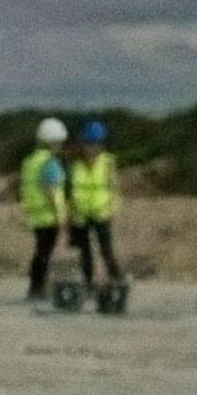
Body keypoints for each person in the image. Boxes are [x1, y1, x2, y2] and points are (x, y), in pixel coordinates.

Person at [64, 119, 122, 299]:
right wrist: (69, 214)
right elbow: (69, 191)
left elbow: (114, 188)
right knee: (85, 253)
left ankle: (117, 280)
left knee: (106, 250)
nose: (92, 148)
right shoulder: (75, 165)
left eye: (96, 143)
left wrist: (113, 208)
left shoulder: (108, 163)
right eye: (89, 143)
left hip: (101, 212)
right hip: (80, 215)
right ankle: (88, 284)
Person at [19, 116, 70, 300]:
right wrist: (61, 214)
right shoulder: (49, 162)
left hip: (35, 214)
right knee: (45, 254)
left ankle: (34, 287)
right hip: (49, 215)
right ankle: (39, 289)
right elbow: (52, 191)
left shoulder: (30, 161)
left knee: (40, 252)